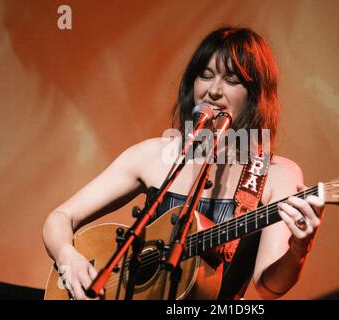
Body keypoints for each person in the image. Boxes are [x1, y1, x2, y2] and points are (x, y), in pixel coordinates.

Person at [42, 26, 324, 300]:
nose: (213, 90)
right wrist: (70, 260)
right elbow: (60, 218)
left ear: (255, 95)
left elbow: (268, 288)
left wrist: (300, 250)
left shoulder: (275, 174)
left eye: (232, 80)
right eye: (205, 75)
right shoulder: (153, 155)